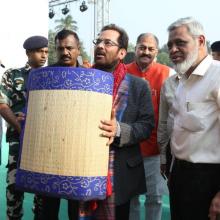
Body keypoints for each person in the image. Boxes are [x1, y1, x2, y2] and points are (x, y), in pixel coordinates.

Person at [167, 17, 220, 220]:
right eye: (170, 44)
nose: (173, 49)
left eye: (180, 43)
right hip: (180, 177)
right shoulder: (182, 81)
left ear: (200, 41)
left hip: (209, 181)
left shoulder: (217, 76)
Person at [0, 35, 48, 220]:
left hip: (44, 144)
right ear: (28, 53)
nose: (43, 56)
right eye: (39, 51)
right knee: (14, 191)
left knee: (43, 194)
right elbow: (2, 104)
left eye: (46, 51)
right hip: (17, 141)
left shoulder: (51, 76)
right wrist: (21, 129)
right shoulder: (12, 75)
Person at [127, 33, 172, 220]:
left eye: (150, 48)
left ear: (157, 51)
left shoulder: (168, 74)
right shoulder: (123, 71)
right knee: (131, 197)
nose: (146, 52)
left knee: (155, 198)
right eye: (142, 47)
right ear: (135, 48)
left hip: (155, 149)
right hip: (128, 147)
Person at [39, 29, 81, 220]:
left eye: (69, 48)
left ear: (78, 49)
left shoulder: (91, 79)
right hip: (51, 154)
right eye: (60, 48)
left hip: (78, 156)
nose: (65, 52)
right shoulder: (45, 76)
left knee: (76, 211)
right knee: (49, 209)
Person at [157, 73, 179, 178]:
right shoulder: (169, 83)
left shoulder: (214, 77)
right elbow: (163, 122)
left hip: (206, 164)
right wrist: (163, 157)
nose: (173, 55)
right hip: (172, 156)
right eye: (171, 54)